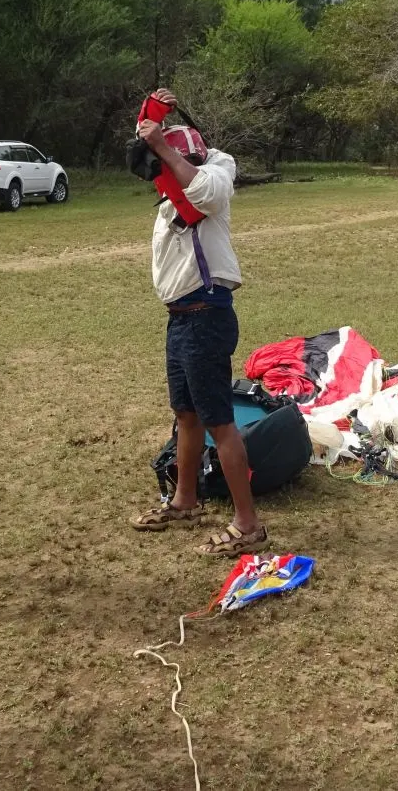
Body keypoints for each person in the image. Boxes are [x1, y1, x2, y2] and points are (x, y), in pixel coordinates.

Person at [129, 88, 267, 555]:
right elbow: (140, 144)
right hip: (181, 318)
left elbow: (202, 189)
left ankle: (248, 525)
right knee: (186, 416)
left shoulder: (214, 176)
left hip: (206, 314)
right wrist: (152, 112)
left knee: (219, 422)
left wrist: (164, 148)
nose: (162, 171)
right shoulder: (172, 192)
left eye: (169, 161)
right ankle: (184, 500)